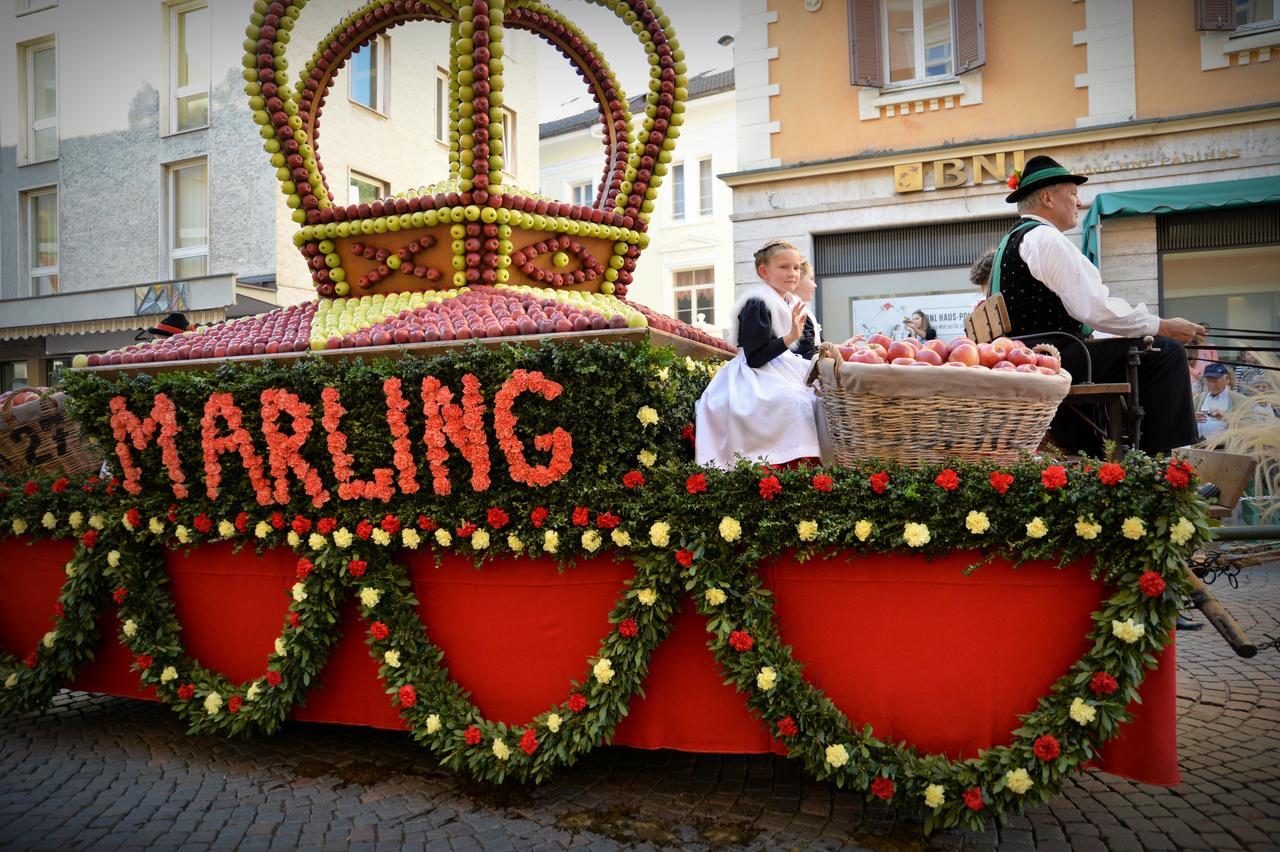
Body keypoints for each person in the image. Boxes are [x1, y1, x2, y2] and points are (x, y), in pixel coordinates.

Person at [996, 154, 1205, 455]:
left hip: (1031, 354)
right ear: (1047, 197)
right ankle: (1159, 468)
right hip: (1053, 357)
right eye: (1073, 193)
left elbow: (1087, 310)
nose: (1078, 202)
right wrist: (1163, 326)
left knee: (1141, 349)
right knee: (1165, 353)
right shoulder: (1045, 239)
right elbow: (1093, 308)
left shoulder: (1012, 240)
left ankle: (1112, 450)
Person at [695, 240, 822, 469]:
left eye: (796, 268)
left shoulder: (791, 302)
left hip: (784, 367)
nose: (792, 274)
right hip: (755, 373)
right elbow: (755, 358)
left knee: (816, 396)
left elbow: (803, 351)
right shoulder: (758, 303)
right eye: (784, 267)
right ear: (764, 271)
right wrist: (790, 337)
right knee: (788, 399)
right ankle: (779, 463)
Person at [1194, 363, 1251, 444]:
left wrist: (1227, 419)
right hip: (1198, 448)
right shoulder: (1197, 399)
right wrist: (1191, 419)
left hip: (1227, 450)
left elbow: (1252, 427)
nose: (1212, 384)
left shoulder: (1240, 400)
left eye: (1215, 380)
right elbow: (1180, 420)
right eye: (1208, 380)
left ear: (1227, 379)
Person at [789, 261, 822, 360]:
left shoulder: (803, 310)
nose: (815, 285)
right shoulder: (796, 311)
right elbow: (806, 352)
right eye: (811, 279)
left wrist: (840, 347)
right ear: (797, 281)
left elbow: (815, 344)